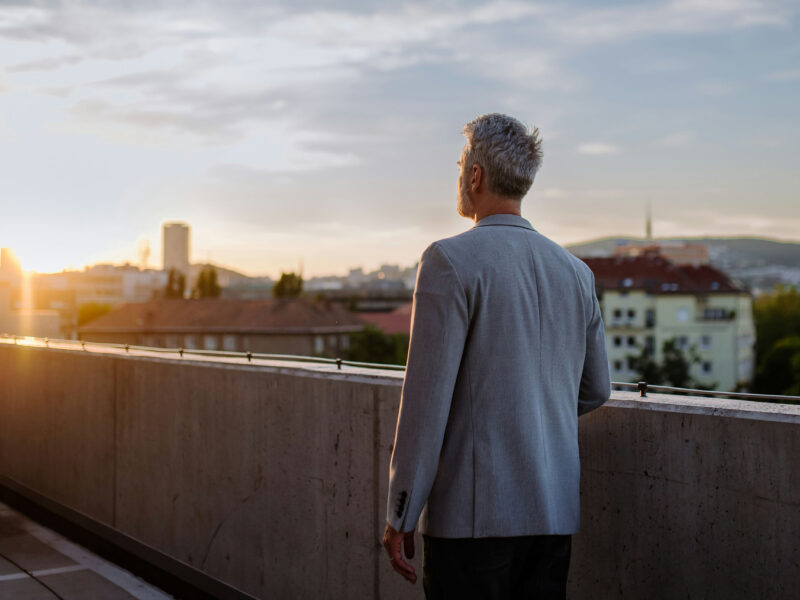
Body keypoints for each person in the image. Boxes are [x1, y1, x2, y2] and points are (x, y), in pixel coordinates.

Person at [381, 113, 611, 599]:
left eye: (461, 162)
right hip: (552, 518)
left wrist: (401, 512)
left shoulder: (448, 261)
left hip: (472, 523)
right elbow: (596, 389)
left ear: (475, 176)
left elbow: (425, 406)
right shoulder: (576, 273)